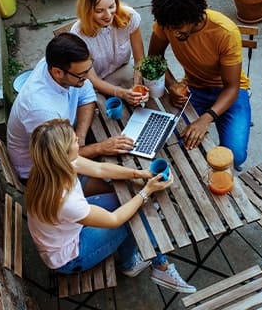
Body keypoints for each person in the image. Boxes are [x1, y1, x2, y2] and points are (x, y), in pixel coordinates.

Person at [25, 118, 196, 294]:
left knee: (132, 204)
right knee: (134, 214)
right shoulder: (65, 200)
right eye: (73, 140)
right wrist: (147, 190)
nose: (77, 139)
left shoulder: (49, 166)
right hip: (71, 257)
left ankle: (151, 260)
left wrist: (140, 174)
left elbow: (100, 169)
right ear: (62, 153)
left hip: (68, 227)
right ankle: (151, 266)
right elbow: (115, 219)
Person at [7, 33, 134, 188]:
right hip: (44, 174)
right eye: (81, 75)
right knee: (118, 186)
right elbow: (61, 159)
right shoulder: (41, 110)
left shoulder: (61, 68)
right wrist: (101, 147)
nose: (88, 78)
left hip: (65, 145)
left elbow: (87, 96)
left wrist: (80, 137)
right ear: (57, 72)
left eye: (89, 69)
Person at [149, 0, 251, 169]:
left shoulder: (225, 32)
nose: (173, 32)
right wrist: (172, 85)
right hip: (194, 87)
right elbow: (155, 56)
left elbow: (232, 87)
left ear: (195, 16)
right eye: (169, 27)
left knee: (235, 156)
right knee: (178, 144)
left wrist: (206, 118)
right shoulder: (168, 22)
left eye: (179, 27)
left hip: (228, 92)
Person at [71, 0, 148, 106]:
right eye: (100, 10)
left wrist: (136, 86)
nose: (108, 15)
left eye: (111, 6)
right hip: (95, 85)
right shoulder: (78, 35)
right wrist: (122, 93)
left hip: (123, 71)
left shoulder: (129, 17)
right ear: (87, 10)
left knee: (148, 90)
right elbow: (92, 79)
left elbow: (139, 58)